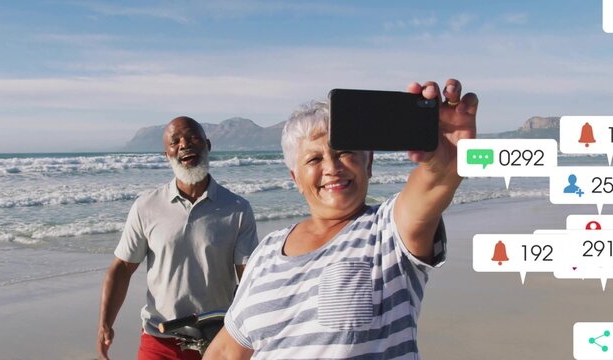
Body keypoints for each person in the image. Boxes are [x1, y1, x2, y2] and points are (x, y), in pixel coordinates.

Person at [203, 79, 478, 359]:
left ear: (368, 164)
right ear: (295, 178)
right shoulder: (267, 251)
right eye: (313, 159)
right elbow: (226, 351)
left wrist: (446, 162)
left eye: (345, 152)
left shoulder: (388, 231)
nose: (332, 167)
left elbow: (434, 182)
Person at [97, 116, 259, 360]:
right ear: (167, 155)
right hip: (159, 339)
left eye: (193, 137)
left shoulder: (237, 208)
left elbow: (248, 279)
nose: (184, 144)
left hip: (219, 341)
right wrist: (105, 323)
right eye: (175, 141)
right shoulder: (146, 206)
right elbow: (122, 267)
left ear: (208, 145)